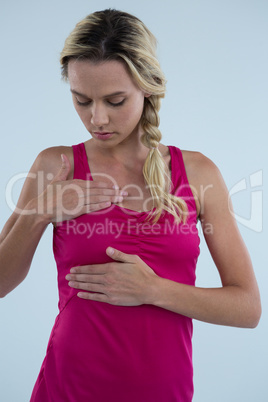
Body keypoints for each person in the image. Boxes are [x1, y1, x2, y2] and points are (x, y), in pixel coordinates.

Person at [0, 8, 261, 402]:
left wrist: (154, 290)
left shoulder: (198, 172)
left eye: (115, 100)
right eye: (82, 100)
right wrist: (39, 211)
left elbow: (247, 308)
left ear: (149, 87)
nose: (97, 118)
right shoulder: (57, 165)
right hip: (68, 386)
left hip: (164, 390)